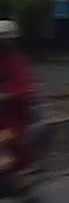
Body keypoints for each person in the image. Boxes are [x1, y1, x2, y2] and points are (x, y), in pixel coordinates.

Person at [0, 20, 39, 179]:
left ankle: (23, 169)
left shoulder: (17, 63)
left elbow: (24, 88)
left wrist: (6, 94)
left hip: (14, 118)